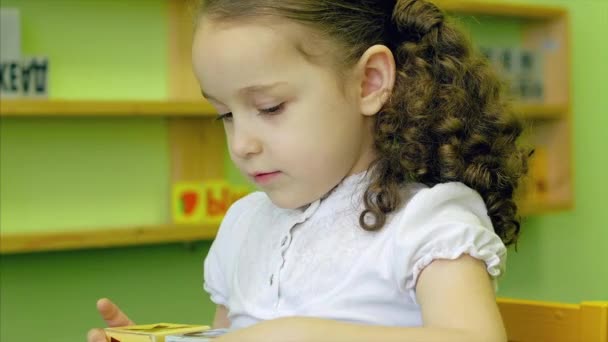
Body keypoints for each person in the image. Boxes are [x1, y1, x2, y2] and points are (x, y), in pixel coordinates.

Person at [88, 0, 531, 341]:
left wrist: (303, 334)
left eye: (269, 107)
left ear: (370, 82)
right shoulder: (243, 225)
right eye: (224, 114)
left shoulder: (428, 223)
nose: (241, 143)